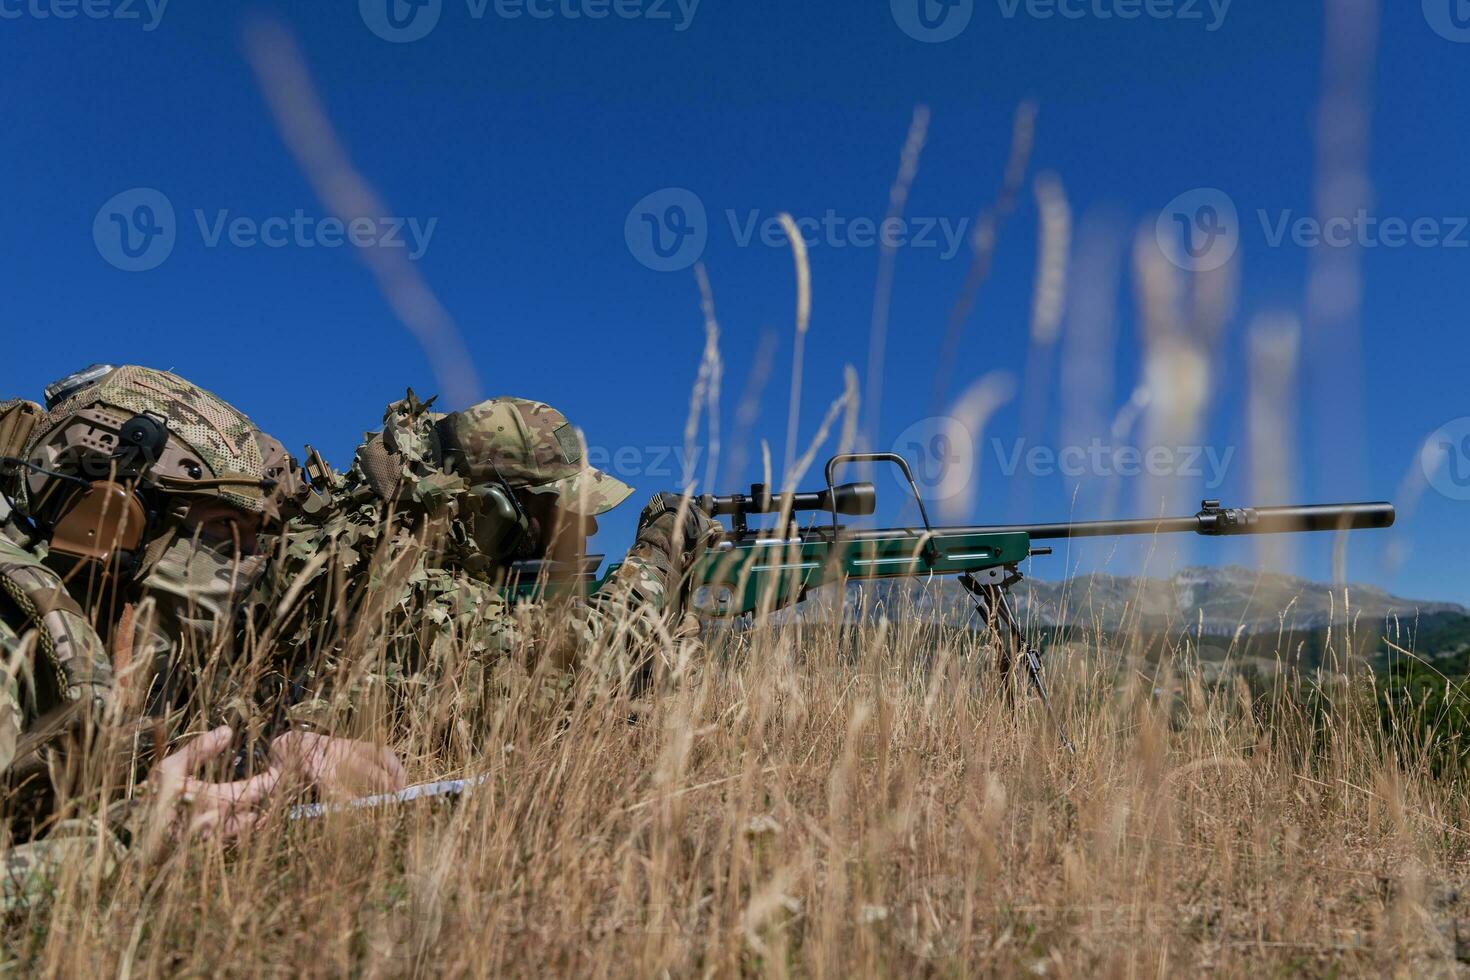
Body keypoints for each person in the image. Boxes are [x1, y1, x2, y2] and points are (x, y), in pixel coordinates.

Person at [0, 366, 405, 907]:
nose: (246, 565)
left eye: (255, 540)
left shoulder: (125, 635)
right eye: (223, 530)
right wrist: (137, 840)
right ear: (112, 511)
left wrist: (280, 752)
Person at [264, 391, 719, 733]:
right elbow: (581, 659)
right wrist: (661, 549)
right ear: (493, 510)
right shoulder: (398, 571)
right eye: (562, 509)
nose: (589, 528)